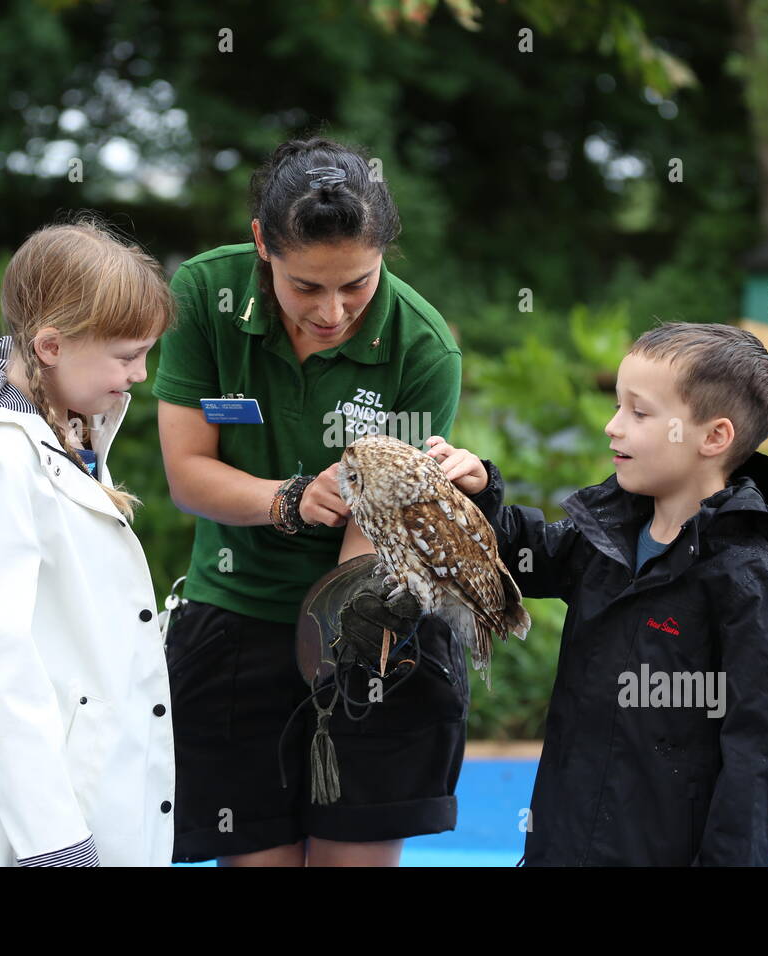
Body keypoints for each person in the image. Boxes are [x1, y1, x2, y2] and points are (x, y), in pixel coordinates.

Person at [153, 137, 466, 866]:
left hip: (371, 632)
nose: (333, 312)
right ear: (263, 244)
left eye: (356, 283)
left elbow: (381, 528)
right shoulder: (204, 293)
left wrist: (343, 639)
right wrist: (292, 501)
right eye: (307, 287)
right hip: (232, 619)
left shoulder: (424, 349)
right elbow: (188, 474)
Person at [423, 321, 768, 866]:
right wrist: (480, 495)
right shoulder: (606, 534)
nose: (612, 427)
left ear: (714, 437)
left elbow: (757, 755)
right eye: (617, 406)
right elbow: (523, 555)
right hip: (563, 839)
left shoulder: (748, 578)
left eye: (639, 412)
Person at [0, 217, 177, 866]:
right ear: (51, 346)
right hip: (42, 827)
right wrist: (52, 841)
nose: (140, 375)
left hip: (87, 791)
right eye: (128, 354)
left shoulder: (67, 435)